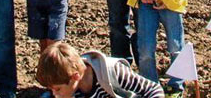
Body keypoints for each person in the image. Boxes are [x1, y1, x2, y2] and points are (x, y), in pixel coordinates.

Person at [36, 42, 164, 98]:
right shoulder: (73, 90)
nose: (55, 94)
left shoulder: (113, 71)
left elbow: (153, 89)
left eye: (58, 89)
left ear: (75, 77)